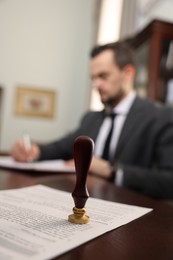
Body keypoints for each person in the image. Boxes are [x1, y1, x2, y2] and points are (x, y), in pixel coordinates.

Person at [11, 41, 173, 199]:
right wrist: (35, 151)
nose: (96, 84)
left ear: (128, 73)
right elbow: (63, 146)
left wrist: (111, 170)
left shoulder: (160, 116)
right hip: (87, 202)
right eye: (93, 78)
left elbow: (168, 180)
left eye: (103, 76)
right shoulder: (91, 119)